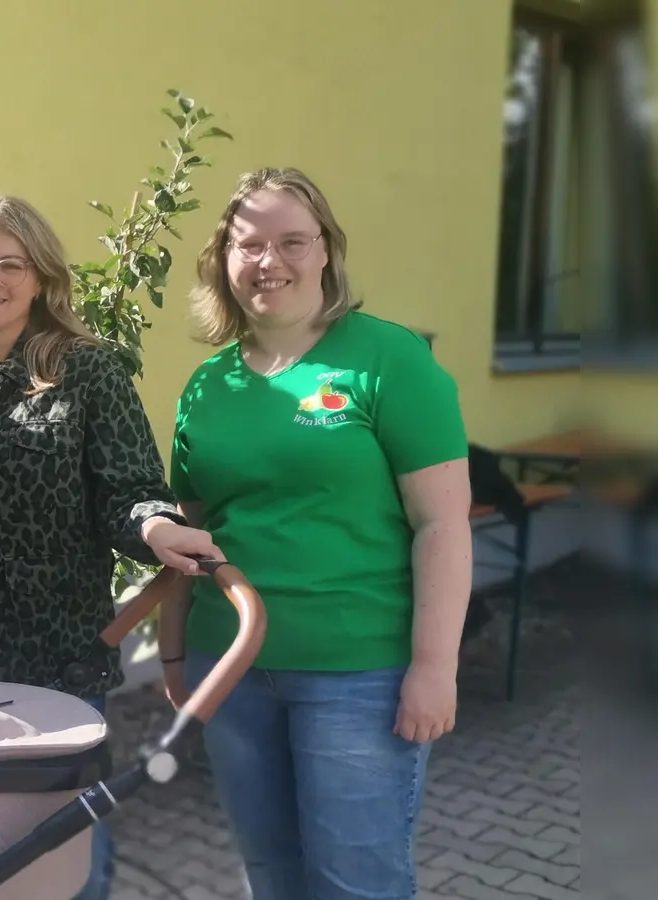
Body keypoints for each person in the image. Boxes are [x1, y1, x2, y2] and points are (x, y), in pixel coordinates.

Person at [0, 195, 224, 900]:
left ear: (42, 278)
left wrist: (157, 528)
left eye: (10, 264)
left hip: (52, 667)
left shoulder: (87, 374)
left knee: (63, 856)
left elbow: (129, 490)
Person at [159, 167, 472, 900]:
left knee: (354, 883)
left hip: (357, 677)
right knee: (271, 876)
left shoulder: (390, 359)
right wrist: (174, 656)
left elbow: (442, 524)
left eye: (292, 242)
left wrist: (435, 668)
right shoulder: (210, 385)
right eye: (249, 245)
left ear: (326, 249)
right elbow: (190, 535)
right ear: (224, 259)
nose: (269, 261)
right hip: (230, 668)